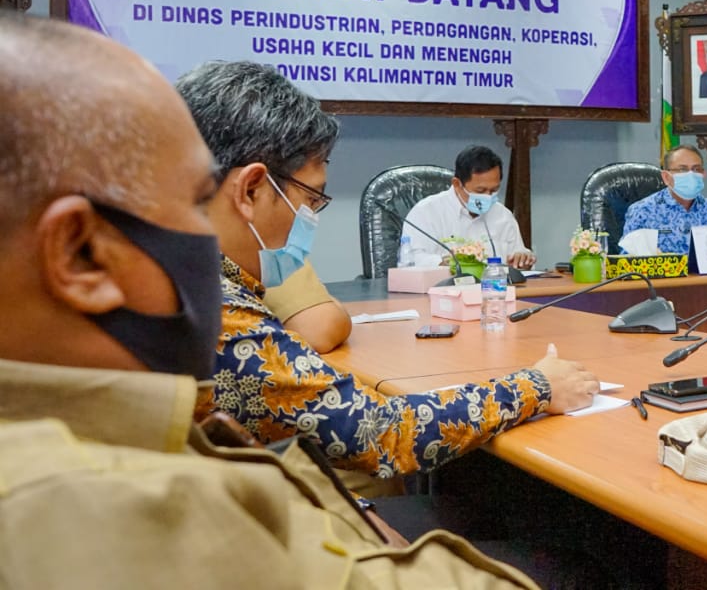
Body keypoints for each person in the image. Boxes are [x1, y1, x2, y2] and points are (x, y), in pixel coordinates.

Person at [0, 13, 539, 588]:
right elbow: (379, 439)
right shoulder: (75, 503)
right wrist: (539, 384)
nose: (204, 234)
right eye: (190, 201)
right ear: (79, 254)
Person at [176, 61, 598, 483]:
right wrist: (537, 386)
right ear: (251, 189)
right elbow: (380, 431)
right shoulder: (213, 312)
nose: (308, 219)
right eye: (311, 199)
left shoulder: (176, 274)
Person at [402, 145, 536, 270]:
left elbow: (517, 258)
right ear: (456, 184)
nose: (488, 197)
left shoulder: (503, 215)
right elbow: (411, 262)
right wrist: (444, 262)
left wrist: (522, 259)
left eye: (494, 190)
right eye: (480, 191)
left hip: (494, 290)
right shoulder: (426, 212)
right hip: (443, 291)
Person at [622, 144, 707, 254]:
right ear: (666, 177)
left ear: (703, 173)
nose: (691, 174)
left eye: (696, 169)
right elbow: (626, 260)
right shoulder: (642, 211)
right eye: (683, 169)